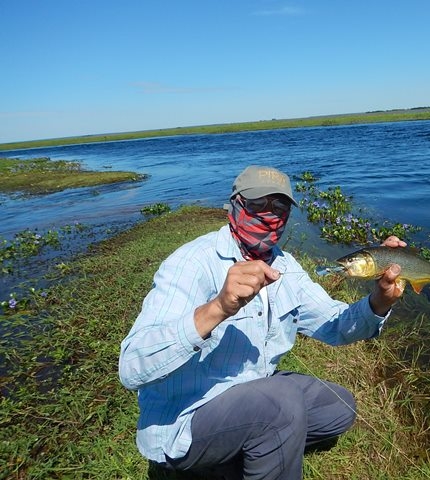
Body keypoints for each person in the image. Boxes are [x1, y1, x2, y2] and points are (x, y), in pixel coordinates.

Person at [119, 165, 406, 479]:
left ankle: (252, 447)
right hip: (187, 419)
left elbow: (335, 324)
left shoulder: (286, 267)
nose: (270, 214)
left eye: (280, 206)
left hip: (254, 394)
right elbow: (132, 367)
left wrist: (379, 301)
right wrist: (217, 308)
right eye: (257, 203)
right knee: (280, 405)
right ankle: (247, 447)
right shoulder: (191, 262)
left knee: (338, 408)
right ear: (235, 204)